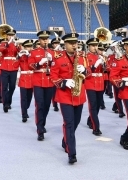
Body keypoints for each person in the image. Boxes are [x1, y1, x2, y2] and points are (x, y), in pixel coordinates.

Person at [50, 32, 90, 164]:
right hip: (65, 95)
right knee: (69, 123)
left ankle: (65, 140)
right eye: (71, 43)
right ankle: (72, 153)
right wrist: (64, 82)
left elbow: (89, 73)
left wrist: (84, 70)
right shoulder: (58, 58)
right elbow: (53, 77)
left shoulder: (82, 57)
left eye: (76, 43)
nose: (74, 45)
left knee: (76, 122)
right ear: (65, 44)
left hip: (79, 95)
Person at [29, 30, 55, 141]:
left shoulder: (53, 52)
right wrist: (39, 63)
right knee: (39, 105)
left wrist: (52, 60)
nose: (45, 41)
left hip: (49, 81)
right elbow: (30, 65)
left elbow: (57, 67)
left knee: (47, 105)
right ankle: (40, 129)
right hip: (38, 81)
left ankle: (42, 123)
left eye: (46, 39)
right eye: (43, 39)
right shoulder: (34, 52)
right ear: (39, 40)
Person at [84, 37, 105, 136]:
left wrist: (104, 63)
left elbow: (108, 69)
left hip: (100, 83)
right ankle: (96, 127)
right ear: (88, 47)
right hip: (90, 82)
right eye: (93, 46)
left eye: (96, 45)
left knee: (98, 105)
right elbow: (86, 72)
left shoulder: (101, 56)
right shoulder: (86, 57)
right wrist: (96, 65)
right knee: (92, 105)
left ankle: (90, 120)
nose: (95, 47)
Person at [0, 30, 21, 113]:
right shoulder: (3, 43)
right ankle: (5, 104)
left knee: (12, 87)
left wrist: (17, 45)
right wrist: (8, 43)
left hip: (13, 68)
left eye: (12, 35)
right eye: (9, 35)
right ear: (6, 36)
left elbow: (20, 53)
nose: (11, 36)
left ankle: (9, 101)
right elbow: (2, 50)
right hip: (4, 67)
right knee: (4, 87)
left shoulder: (16, 44)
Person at [18, 40, 34, 123]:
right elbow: (15, 65)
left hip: (32, 79)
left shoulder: (34, 55)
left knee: (29, 98)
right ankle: (24, 114)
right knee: (23, 98)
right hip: (24, 79)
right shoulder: (21, 56)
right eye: (28, 46)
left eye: (31, 46)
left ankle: (26, 108)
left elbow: (34, 65)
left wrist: (29, 56)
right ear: (24, 47)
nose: (29, 48)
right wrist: (18, 57)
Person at [50, 37, 62, 112]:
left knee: (61, 89)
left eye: (58, 43)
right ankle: (55, 104)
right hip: (54, 72)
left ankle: (61, 103)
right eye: (55, 43)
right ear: (52, 45)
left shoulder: (61, 51)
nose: (57, 45)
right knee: (54, 90)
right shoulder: (51, 51)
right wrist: (55, 50)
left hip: (61, 72)